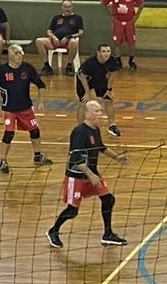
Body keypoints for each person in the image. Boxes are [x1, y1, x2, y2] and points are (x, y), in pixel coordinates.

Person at [47, 99, 128, 249]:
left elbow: (101, 147)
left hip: (92, 173)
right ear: (89, 114)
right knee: (72, 211)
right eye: (97, 111)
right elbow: (76, 159)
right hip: (76, 176)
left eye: (100, 111)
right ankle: (53, 231)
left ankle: (108, 234)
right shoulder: (79, 132)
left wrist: (117, 157)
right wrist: (91, 175)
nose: (101, 114)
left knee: (108, 199)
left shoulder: (95, 129)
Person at [0, 43, 52, 174]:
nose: (20, 56)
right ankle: (3, 161)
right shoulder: (1, 71)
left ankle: (38, 156)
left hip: (26, 107)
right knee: (9, 134)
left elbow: (41, 84)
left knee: (35, 131)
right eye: (17, 54)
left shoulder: (27, 69)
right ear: (11, 56)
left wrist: (41, 102)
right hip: (9, 109)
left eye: (21, 53)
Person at [76, 42, 120, 136]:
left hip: (99, 78)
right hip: (85, 80)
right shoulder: (90, 62)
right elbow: (82, 76)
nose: (106, 54)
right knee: (83, 102)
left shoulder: (112, 60)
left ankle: (112, 125)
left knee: (108, 100)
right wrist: (87, 93)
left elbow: (112, 75)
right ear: (98, 52)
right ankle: (80, 128)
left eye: (108, 51)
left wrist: (109, 89)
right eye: (103, 51)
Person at [102, 0, 142, 71]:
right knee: (117, 43)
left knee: (132, 43)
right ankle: (118, 62)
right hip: (118, 22)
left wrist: (136, 16)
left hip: (129, 22)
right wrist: (110, 16)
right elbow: (103, 4)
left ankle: (131, 61)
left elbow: (141, 4)